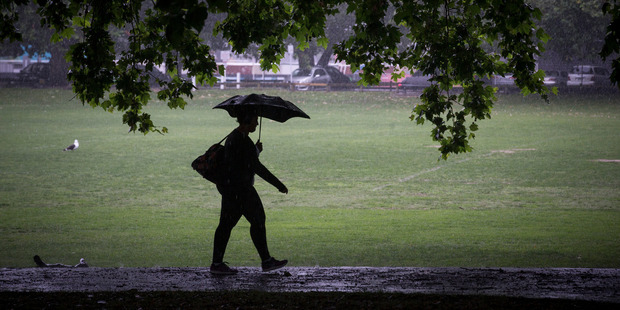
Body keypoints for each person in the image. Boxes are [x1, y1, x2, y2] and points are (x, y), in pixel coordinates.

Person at [210, 112, 289, 275]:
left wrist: (255, 151)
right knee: (257, 220)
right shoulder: (241, 140)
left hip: (231, 189)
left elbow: (242, 160)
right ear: (246, 121)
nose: (257, 124)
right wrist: (278, 184)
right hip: (241, 190)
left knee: (227, 225)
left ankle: (217, 263)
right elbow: (255, 167)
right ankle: (266, 261)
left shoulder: (236, 137)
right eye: (255, 121)